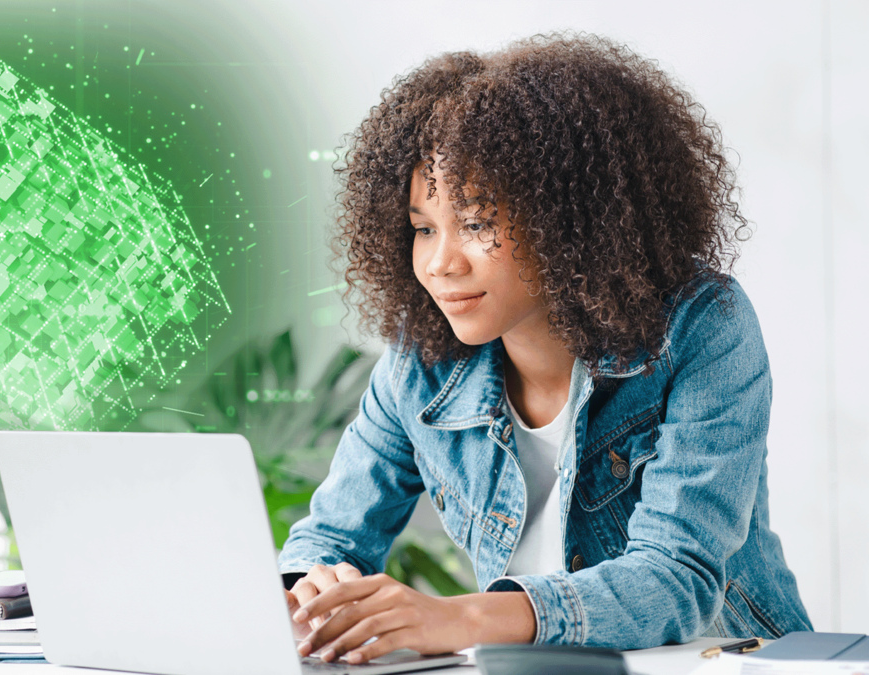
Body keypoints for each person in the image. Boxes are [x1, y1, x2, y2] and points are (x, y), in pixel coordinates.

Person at [277, 32, 812, 664]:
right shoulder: (419, 359)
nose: (441, 263)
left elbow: (677, 577)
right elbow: (331, 538)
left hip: (725, 661)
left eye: (476, 223)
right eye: (424, 229)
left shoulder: (701, 325)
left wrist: (457, 618)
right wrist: (311, 590)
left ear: (569, 219)